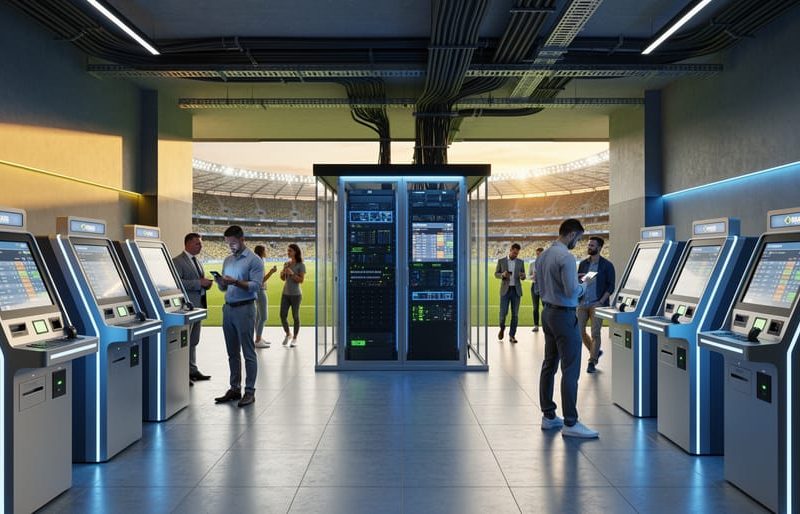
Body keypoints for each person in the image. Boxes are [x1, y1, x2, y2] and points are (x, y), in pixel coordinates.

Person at [535, 218, 599, 438]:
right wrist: (585, 284)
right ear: (571, 234)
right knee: (570, 369)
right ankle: (571, 423)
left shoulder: (543, 255)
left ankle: (549, 416)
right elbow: (572, 292)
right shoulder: (566, 257)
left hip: (548, 312)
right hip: (563, 315)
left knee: (549, 364)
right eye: (578, 238)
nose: (578, 243)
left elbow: (541, 287)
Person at [213, 225, 264, 408]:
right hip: (228, 309)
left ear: (242, 239)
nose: (231, 246)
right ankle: (235, 388)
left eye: (233, 243)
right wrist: (221, 282)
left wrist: (235, 281)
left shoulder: (254, 260)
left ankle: (249, 392)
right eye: (228, 243)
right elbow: (223, 288)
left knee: (248, 353)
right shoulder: (227, 260)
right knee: (232, 353)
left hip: (245, 309)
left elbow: (255, 286)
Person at [172, 233, 212, 385]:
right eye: (197, 244)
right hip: (187, 307)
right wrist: (198, 283)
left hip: (199, 305)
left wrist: (206, 284)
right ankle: (183, 373)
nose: (200, 246)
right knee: (184, 341)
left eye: (200, 244)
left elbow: (197, 281)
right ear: (187, 244)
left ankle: (192, 370)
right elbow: (177, 283)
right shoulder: (177, 261)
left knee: (194, 340)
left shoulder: (197, 261)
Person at [577, 236, 616, 374]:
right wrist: (580, 278)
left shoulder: (607, 265)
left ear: (599, 248)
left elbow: (611, 286)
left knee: (595, 333)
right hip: (582, 303)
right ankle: (595, 351)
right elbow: (579, 282)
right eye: (588, 245)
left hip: (597, 304)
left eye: (592, 246)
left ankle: (592, 361)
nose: (589, 247)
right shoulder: (582, 264)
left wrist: (601, 301)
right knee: (579, 331)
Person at [495, 243, 525, 343]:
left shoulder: (521, 262)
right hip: (505, 291)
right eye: (514, 253)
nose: (515, 255)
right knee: (503, 313)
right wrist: (502, 275)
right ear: (510, 250)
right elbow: (496, 274)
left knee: (515, 315)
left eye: (517, 254)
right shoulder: (501, 261)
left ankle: (512, 336)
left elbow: (523, 276)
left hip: (516, 291)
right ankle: (502, 328)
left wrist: (522, 276)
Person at [279, 243, 306, 347]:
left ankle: (295, 338)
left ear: (295, 252)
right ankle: (288, 334)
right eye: (288, 250)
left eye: (290, 250)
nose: (288, 252)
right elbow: (283, 279)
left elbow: (301, 280)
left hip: (296, 295)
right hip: (285, 293)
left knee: (295, 316)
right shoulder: (286, 263)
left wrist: (291, 273)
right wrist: (282, 273)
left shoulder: (301, 265)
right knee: (282, 315)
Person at [253, 245, 278, 349]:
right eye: (265, 250)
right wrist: (272, 272)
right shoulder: (260, 262)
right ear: (262, 251)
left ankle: (258, 338)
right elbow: (261, 280)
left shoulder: (257, 261)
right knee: (264, 317)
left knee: (258, 316)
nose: (266, 251)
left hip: (257, 290)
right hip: (260, 290)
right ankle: (258, 340)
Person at [529, 247, 544, 333]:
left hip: (543, 287)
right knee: (535, 307)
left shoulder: (546, 263)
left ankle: (546, 325)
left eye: (540, 254)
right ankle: (536, 325)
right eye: (537, 254)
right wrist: (533, 276)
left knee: (545, 307)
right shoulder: (532, 264)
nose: (538, 256)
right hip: (534, 285)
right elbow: (529, 275)